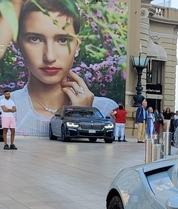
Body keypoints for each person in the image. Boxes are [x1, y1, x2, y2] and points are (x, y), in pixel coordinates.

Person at [11, 0, 117, 136]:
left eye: (62, 40)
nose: (49, 57)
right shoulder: (6, 110)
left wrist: (84, 116)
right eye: (35, 39)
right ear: (17, 44)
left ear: (77, 45)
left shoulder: (106, 110)